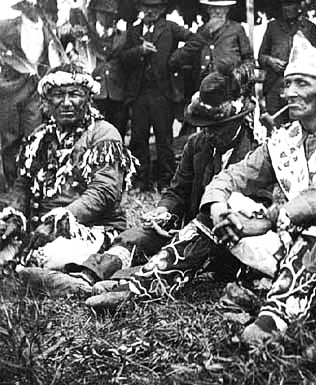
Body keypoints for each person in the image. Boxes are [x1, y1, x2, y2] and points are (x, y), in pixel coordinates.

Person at [183, 33, 316, 346]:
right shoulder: (284, 140)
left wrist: (270, 217)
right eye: (288, 84)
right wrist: (219, 209)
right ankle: (149, 280)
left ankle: (273, 317)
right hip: (298, 244)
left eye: (301, 84)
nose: (289, 92)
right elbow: (233, 176)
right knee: (220, 212)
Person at [35, 61, 267, 299]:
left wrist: (201, 224)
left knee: (182, 250)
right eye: (203, 126)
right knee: (144, 234)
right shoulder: (197, 144)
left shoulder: (257, 152)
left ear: (238, 120)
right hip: (188, 227)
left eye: (216, 127)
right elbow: (178, 191)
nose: (208, 133)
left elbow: (257, 208)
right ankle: (90, 273)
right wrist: (164, 211)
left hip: (229, 238)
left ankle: (129, 284)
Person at [0, 63, 137, 290]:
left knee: (53, 257)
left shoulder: (104, 134)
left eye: (74, 94)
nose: (66, 103)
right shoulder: (39, 138)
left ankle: (60, 277)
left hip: (90, 230)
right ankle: (31, 270)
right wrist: (14, 218)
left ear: (88, 99)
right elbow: (22, 185)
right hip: (39, 229)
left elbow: (103, 193)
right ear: (46, 102)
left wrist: (59, 222)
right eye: (57, 95)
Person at [121, 0, 204, 191]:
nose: (150, 12)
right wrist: (139, 51)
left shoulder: (169, 28)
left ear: (160, 10)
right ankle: (141, 181)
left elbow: (196, 41)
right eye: (146, 7)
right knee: (139, 138)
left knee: (164, 139)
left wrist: (176, 58)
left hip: (162, 93)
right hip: (139, 93)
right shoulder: (133, 31)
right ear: (140, 8)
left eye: (154, 8)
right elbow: (123, 59)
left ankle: (166, 182)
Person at [0, 0, 64, 190]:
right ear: (20, 6)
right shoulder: (7, 26)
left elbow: (55, 56)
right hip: (9, 90)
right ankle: (12, 186)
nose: (30, 6)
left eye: (33, 2)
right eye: (25, 3)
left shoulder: (47, 28)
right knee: (10, 140)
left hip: (35, 91)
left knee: (34, 136)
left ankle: (32, 184)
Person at [60, 0, 129, 139]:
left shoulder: (122, 35)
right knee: (93, 132)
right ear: (97, 14)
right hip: (94, 92)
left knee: (117, 133)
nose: (107, 18)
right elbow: (61, 38)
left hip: (117, 92)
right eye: (104, 13)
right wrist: (72, 33)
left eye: (111, 15)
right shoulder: (83, 32)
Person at [258, 0, 316, 126]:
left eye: (290, 4)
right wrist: (270, 61)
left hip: (301, 88)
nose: (287, 8)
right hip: (275, 87)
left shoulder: (310, 28)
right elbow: (261, 56)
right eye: (284, 4)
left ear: (298, 5)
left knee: (299, 128)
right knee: (275, 130)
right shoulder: (273, 27)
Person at [181, 0, 254, 87]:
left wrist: (240, 75)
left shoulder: (237, 29)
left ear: (227, 9)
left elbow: (249, 59)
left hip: (231, 86)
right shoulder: (201, 31)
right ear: (208, 10)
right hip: (205, 87)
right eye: (214, 8)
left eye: (222, 8)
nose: (218, 12)